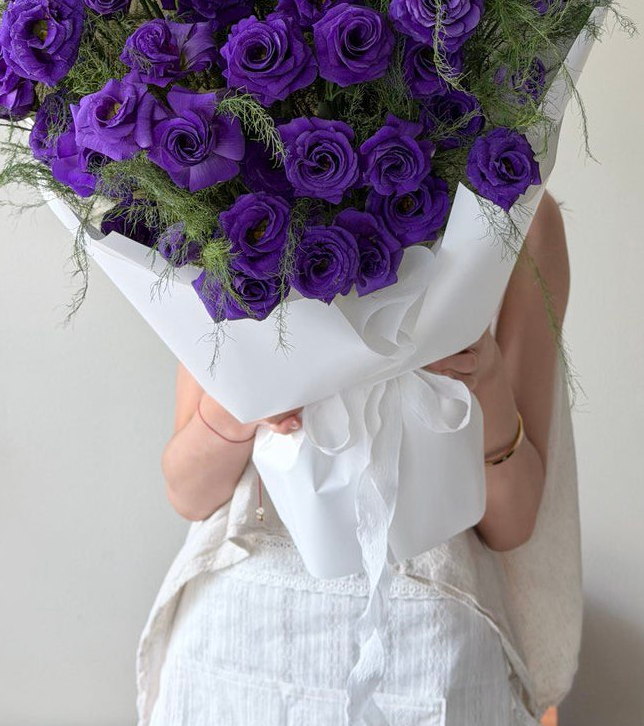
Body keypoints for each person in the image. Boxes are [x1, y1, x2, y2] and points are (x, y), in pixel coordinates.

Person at [137, 192, 580, 725]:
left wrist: (483, 378)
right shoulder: (236, 198)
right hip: (236, 631)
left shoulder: (517, 208)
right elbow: (188, 494)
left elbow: (515, 524)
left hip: (429, 645)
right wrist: (241, 407)